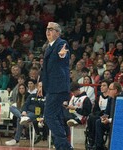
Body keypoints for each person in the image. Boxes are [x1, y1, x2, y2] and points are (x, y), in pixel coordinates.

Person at [40, 22, 73, 150]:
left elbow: (63, 55)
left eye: (51, 29)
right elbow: (46, 69)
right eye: (47, 29)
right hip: (52, 87)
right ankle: (61, 145)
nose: (48, 31)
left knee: (48, 116)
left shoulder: (60, 43)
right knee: (57, 116)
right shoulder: (49, 47)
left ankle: (64, 145)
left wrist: (62, 55)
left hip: (58, 87)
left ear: (58, 32)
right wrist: (41, 83)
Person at [95, 82, 122, 150]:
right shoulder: (110, 98)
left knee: (112, 126)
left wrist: (109, 120)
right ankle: (99, 146)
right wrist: (104, 118)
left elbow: (121, 117)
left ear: (115, 91)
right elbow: (107, 112)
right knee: (98, 122)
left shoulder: (122, 99)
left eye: (110, 89)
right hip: (110, 121)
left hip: (119, 123)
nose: (108, 91)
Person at [86, 79, 111, 148]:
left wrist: (102, 114)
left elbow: (109, 111)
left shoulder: (111, 98)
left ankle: (95, 141)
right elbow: (95, 109)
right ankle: (92, 139)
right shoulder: (99, 97)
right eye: (101, 86)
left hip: (107, 116)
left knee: (95, 118)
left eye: (104, 85)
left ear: (108, 87)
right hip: (99, 115)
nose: (101, 87)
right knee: (91, 116)